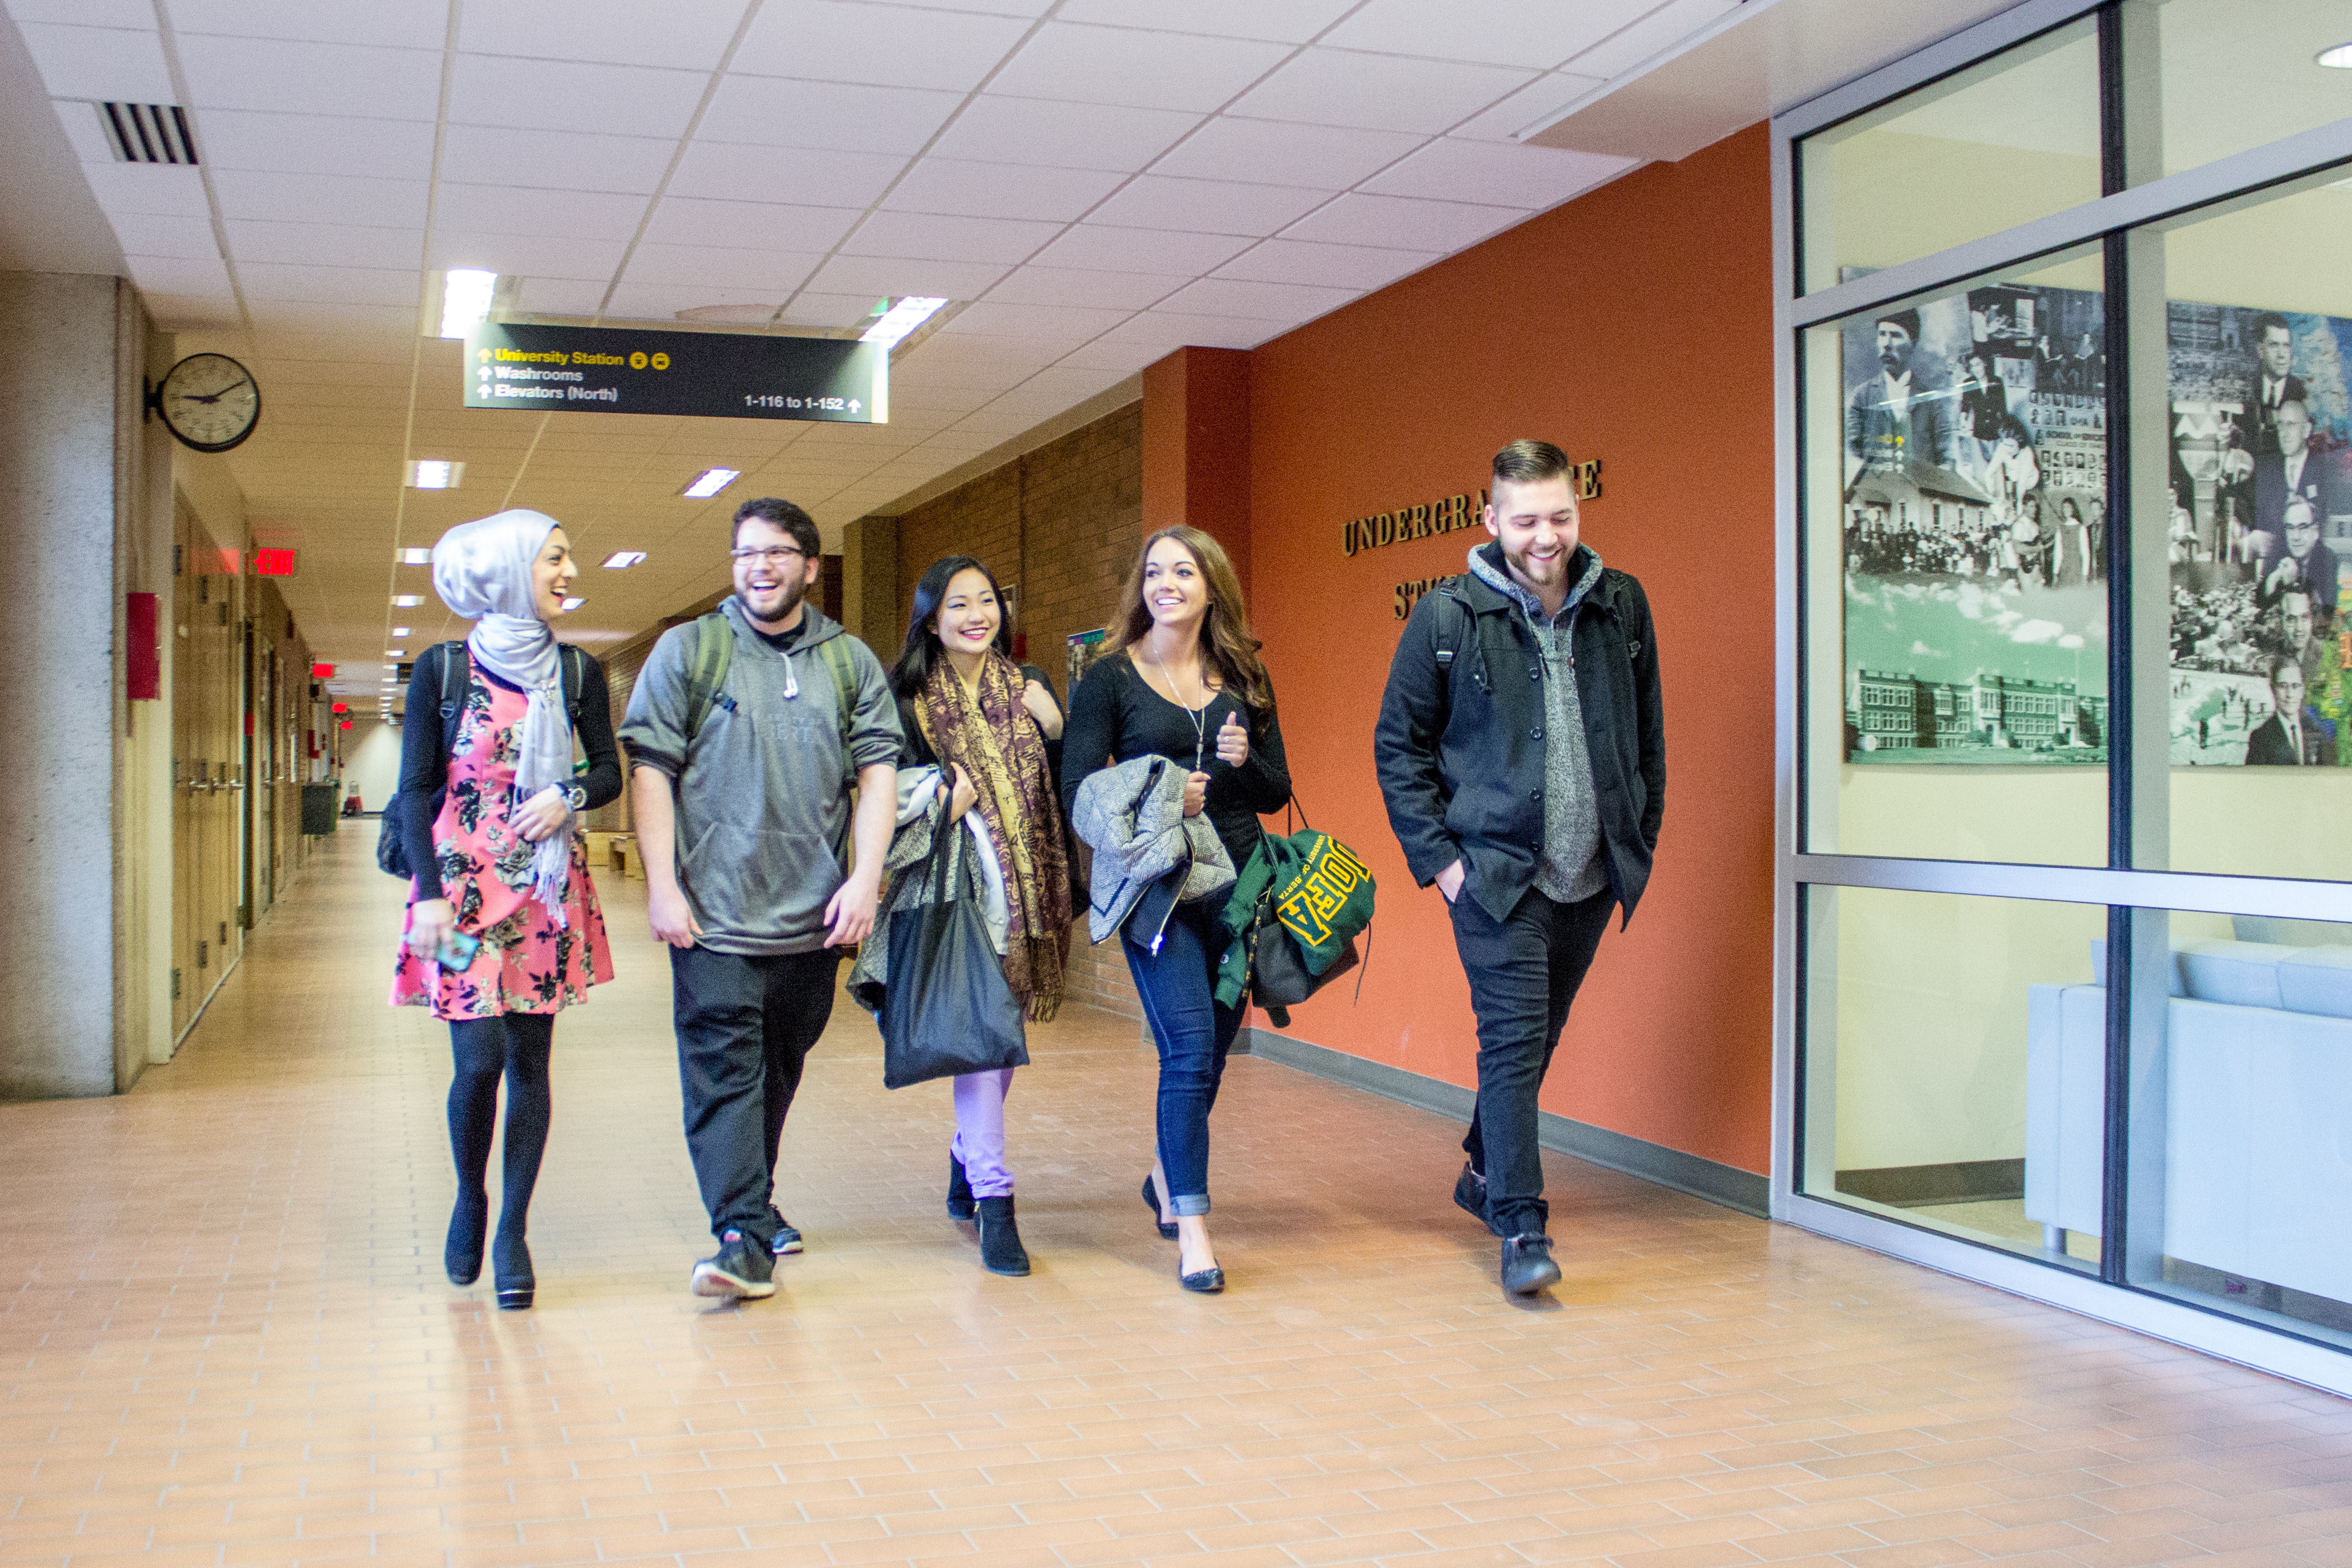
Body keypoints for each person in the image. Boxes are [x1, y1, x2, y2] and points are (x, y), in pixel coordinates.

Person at [1373, 439, 1665, 1298]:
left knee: (1539, 1037)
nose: (1548, 536)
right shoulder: (1447, 616)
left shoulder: (1621, 604)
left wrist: (1635, 837)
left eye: (1561, 516)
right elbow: (1400, 748)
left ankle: (1479, 1167)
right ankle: (1520, 1224)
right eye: (1528, 518)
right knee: (1509, 1042)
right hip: (1494, 875)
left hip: (1590, 872)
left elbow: (1648, 733)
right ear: (1490, 517)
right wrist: (1442, 863)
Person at [619, 497, 901, 1301]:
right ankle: (742, 1235)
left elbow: (878, 772)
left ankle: (753, 1199)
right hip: (712, 917)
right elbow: (651, 771)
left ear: (810, 567)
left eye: (778, 552)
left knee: (777, 1068)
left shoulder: (847, 661)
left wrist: (864, 876)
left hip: (812, 918)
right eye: (745, 552)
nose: (760, 566)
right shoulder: (692, 650)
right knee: (724, 1073)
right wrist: (663, 884)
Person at [391, 509, 622, 1312]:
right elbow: (414, 787)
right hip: (455, 899)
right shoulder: (443, 668)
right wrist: (423, 894)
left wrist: (569, 794)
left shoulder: (579, 672)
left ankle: (514, 1228)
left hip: (546, 899)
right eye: (554, 557)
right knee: (478, 1059)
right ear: (508, 565)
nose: (568, 570)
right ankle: (469, 1193)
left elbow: (609, 774)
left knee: (530, 1061)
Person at [1062, 525, 1291, 1295]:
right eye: (1154, 571)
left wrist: (1241, 762)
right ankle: (1192, 1227)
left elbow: (1273, 789)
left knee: (1214, 1049)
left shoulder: (1244, 676)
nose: (1166, 583)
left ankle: (1165, 1175)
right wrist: (1163, 792)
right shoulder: (1109, 679)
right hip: (1153, 888)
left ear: (1209, 585)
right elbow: (1077, 796)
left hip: (1239, 887)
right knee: (1188, 1047)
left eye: (1183, 571)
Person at [885, 555, 1073, 1278]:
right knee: (987, 1041)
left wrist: (1054, 728)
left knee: (1002, 1037)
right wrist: (936, 789)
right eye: (957, 602)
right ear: (931, 617)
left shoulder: (1029, 687)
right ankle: (996, 1199)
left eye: (986, 600)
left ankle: (968, 1155)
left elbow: (1061, 783)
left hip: (1028, 891)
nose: (975, 613)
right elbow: (878, 783)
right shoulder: (907, 696)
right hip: (954, 887)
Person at [1845, 308, 1951, 476]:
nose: (1886, 344)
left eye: (1895, 335)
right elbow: (1854, 456)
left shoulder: (1933, 402)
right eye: (1882, 334)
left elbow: (1945, 460)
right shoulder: (1862, 398)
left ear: (1913, 344)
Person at [2243, 313, 2308, 458]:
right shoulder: (2246, 389)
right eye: (2274, 345)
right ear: (2261, 351)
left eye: (2286, 346)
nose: (2282, 355)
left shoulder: (2303, 393)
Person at [2246, 658, 2327, 766]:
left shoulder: (2314, 730)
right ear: (2273, 690)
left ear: (2302, 691)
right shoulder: (2260, 738)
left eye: (2295, 686)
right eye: (2283, 686)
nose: (2290, 694)